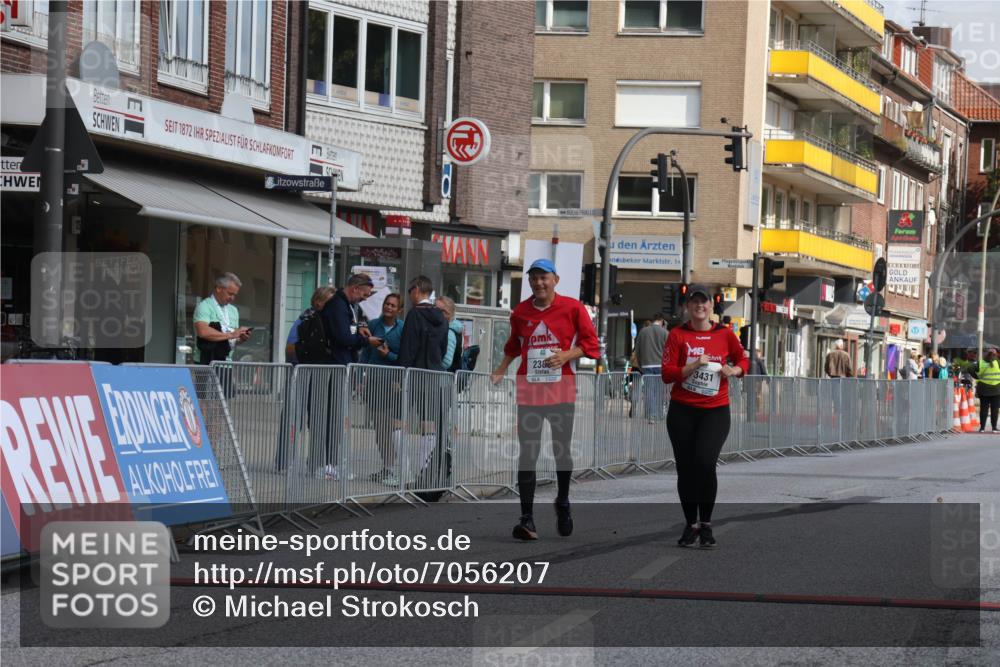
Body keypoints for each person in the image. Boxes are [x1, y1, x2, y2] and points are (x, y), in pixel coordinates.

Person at [491, 258, 600, 541]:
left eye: (544, 278)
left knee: (561, 450)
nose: (539, 283)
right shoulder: (521, 311)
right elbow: (514, 345)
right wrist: (501, 369)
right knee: (528, 453)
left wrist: (567, 355)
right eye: (534, 278)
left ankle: (562, 501)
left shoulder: (573, 308)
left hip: (561, 389)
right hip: (529, 389)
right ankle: (527, 518)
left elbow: (591, 345)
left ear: (555, 280)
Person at [661, 284, 749, 548]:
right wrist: (693, 366)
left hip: (715, 410)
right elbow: (667, 374)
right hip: (683, 410)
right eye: (694, 302)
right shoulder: (677, 334)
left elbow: (742, 359)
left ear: (712, 305)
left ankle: (707, 524)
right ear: (687, 307)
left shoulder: (725, 334)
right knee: (685, 469)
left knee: (705, 462)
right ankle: (691, 525)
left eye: (704, 302)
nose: (700, 306)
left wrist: (734, 371)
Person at [313, 273, 381, 480]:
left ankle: (332, 462)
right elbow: (342, 336)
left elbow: (348, 331)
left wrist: (360, 332)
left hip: (342, 365)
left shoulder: (349, 306)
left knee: (336, 416)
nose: (365, 299)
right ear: (355, 288)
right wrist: (364, 342)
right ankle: (325, 464)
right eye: (364, 294)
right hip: (334, 365)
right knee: (331, 416)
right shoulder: (337, 305)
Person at [397, 276, 451, 492]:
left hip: (416, 375)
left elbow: (408, 347)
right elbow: (444, 348)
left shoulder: (414, 315)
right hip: (435, 375)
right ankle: (427, 473)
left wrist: (400, 376)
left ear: (418, 290)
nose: (409, 295)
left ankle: (415, 474)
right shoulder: (442, 317)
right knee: (430, 424)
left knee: (399, 421)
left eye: (410, 290)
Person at [275, 286, 335, 471]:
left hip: (320, 377)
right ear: (318, 302)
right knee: (294, 418)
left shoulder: (329, 321)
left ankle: (316, 462)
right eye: (329, 302)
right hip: (300, 374)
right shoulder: (304, 320)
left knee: (319, 420)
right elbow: (290, 348)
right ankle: (284, 462)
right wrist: (307, 352)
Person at [359, 293, 404, 484]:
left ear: (399, 309)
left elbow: (404, 356)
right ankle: (388, 468)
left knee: (388, 427)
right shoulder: (374, 325)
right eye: (387, 304)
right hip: (373, 382)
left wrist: (389, 356)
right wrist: (359, 377)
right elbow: (366, 352)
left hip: (393, 385)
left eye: (393, 305)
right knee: (379, 428)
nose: (389, 308)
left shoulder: (402, 328)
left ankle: (396, 468)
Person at [193, 273, 251, 364]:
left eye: (235, 295)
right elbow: (203, 332)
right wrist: (231, 334)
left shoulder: (233, 310)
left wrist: (241, 338)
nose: (232, 298)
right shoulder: (205, 306)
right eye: (230, 293)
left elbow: (231, 341)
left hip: (227, 363)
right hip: (206, 363)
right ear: (219, 288)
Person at [634, 315, 668, 421]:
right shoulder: (665, 333)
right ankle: (658, 414)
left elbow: (638, 349)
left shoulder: (643, 332)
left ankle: (651, 415)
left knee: (649, 390)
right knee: (659, 391)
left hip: (646, 364)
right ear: (662, 321)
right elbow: (669, 350)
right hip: (661, 366)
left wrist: (640, 364)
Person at [435, 296, 465, 372]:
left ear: (447, 313)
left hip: (443, 379)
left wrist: (431, 363)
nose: (433, 312)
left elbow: (447, 362)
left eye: (437, 310)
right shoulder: (450, 330)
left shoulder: (449, 333)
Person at [976, 348, 1000, 432]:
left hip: (983, 389)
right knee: (995, 409)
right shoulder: (998, 362)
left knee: (983, 409)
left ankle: (982, 428)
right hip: (996, 390)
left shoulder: (981, 362)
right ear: (996, 355)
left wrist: (977, 377)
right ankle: (994, 428)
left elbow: (970, 369)